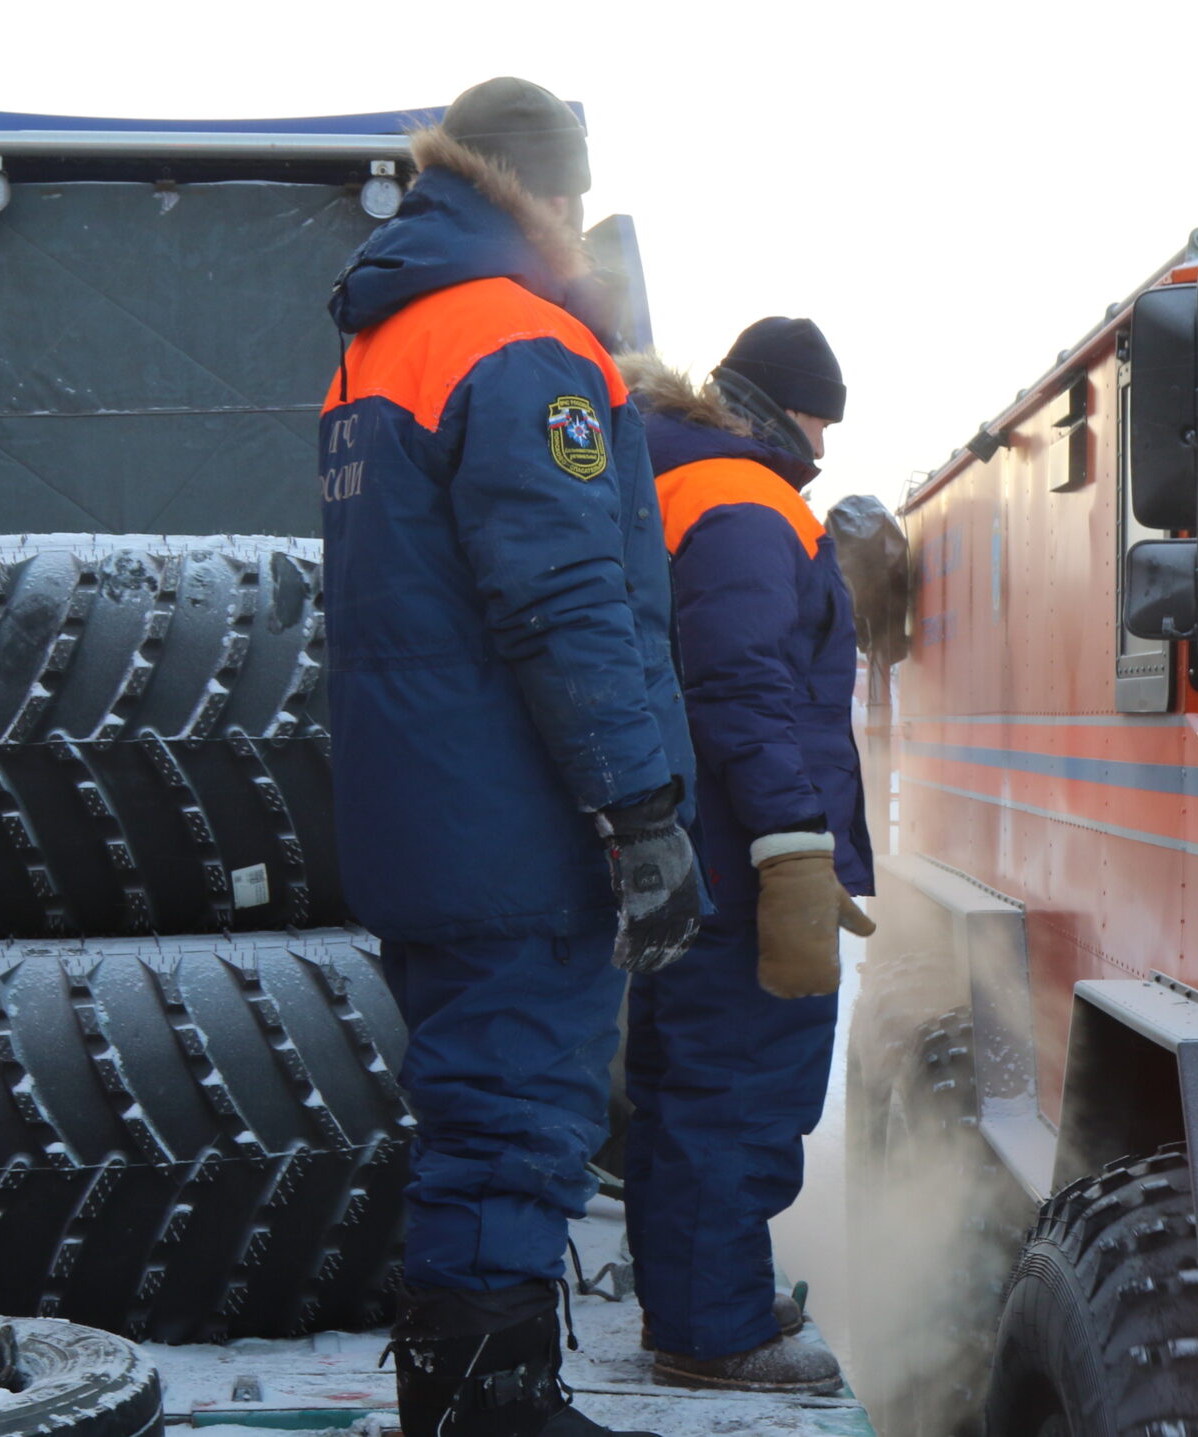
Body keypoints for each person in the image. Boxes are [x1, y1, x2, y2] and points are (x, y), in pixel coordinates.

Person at [318, 76, 700, 1437]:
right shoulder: (520, 341)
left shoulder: (384, 335)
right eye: (580, 196)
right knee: (514, 1122)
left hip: (424, 805)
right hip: (511, 821)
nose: (585, 225)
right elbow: (563, 602)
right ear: (544, 187)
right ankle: (489, 1415)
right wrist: (641, 803)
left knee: (479, 1107)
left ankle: (485, 1400)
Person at [617, 320, 874, 1395]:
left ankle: (698, 1293)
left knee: (686, 1080)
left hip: (688, 846)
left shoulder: (676, 477)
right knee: (744, 1086)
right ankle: (711, 1332)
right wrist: (793, 850)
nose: (823, 441)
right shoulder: (743, 497)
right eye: (821, 417)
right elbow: (742, 687)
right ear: (780, 408)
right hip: (737, 854)